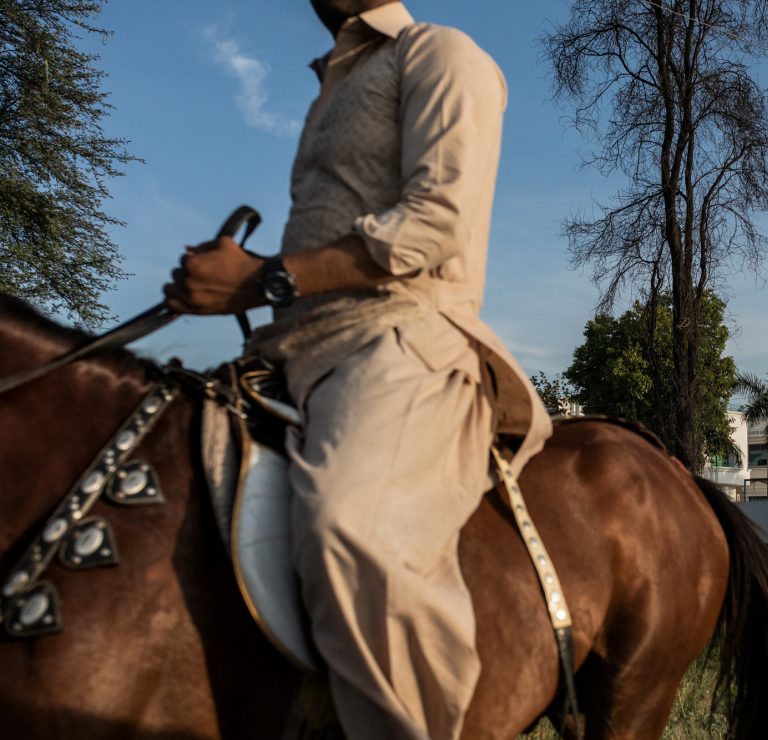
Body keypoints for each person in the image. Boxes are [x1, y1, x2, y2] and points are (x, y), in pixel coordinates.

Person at [163, 1, 552, 737]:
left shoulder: (440, 53)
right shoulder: (332, 84)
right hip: (287, 354)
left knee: (351, 531)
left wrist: (259, 281)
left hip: (401, 339)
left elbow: (436, 225)